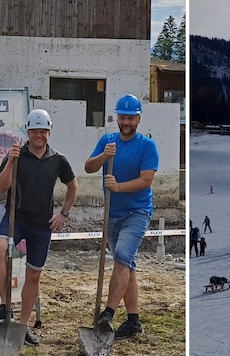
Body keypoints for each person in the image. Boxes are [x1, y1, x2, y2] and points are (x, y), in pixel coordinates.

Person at [0, 108, 78, 346]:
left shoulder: (58, 160)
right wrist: (12, 161)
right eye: (34, 131)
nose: (38, 135)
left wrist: (63, 214)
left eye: (43, 131)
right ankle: (6, 306)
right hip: (16, 218)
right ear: (28, 131)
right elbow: (0, 187)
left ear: (49, 132)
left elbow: (73, 186)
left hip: (41, 225)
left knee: (34, 275)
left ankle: (22, 326)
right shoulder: (16, 154)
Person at [86, 94, 158, 340]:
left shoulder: (147, 146)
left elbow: (146, 181)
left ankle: (108, 313)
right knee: (127, 266)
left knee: (122, 257)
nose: (126, 122)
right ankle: (134, 322)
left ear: (138, 118)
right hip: (112, 214)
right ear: (117, 118)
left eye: (130, 117)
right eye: (122, 117)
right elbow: (89, 167)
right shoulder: (107, 141)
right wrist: (103, 156)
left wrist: (118, 187)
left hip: (137, 212)